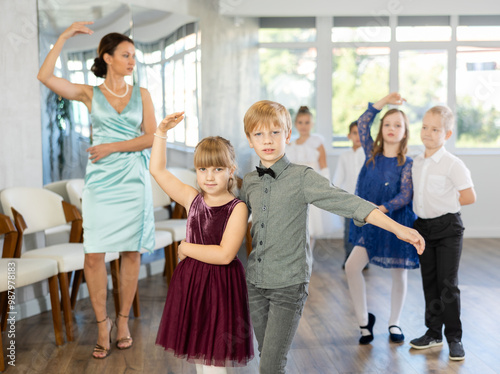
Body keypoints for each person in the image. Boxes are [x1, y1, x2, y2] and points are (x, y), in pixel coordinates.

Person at [239, 100, 425, 374]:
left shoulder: (303, 177)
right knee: (267, 354)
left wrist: (399, 229)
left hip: (288, 284)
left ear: (287, 135)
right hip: (255, 283)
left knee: (270, 365)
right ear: (250, 139)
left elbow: (350, 202)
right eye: (259, 134)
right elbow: (231, 220)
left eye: (275, 132)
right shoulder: (249, 182)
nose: (267, 140)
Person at [37, 21, 156, 359]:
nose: (132, 61)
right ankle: (102, 325)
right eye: (125, 55)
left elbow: (151, 137)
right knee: (94, 254)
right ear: (108, 58)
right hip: (102, 185)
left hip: (133, 180)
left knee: (131, 252)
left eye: (134, 55)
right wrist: (62, 38)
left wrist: (113, 147)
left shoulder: (142, 94)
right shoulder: (90, 93)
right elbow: (45, 77)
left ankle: (122, 323)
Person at [152, 113, 254, 373]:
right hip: (191, 282)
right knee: (200, 353)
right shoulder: (191, 198)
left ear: (231, 170)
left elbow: (224, 255)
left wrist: (185, 247)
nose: (209, 176)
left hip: (220, 285)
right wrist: (161, 131)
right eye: (203, 169)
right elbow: (157, 170)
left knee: (212, 357)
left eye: (218, 169)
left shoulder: (237, 208)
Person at [345, 92, 418, 345]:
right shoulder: (370, 154)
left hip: (397, 223)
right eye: (387, 124)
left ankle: (394, 322)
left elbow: (406, 194)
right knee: (351, 266)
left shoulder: (408, 163)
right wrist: (385, 100)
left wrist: (382, 210)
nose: (391, 128)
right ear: (381, 129)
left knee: (400, 274)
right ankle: (365, 322)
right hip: (372, 223)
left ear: (405, 132)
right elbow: (363, 121)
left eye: (398, 125)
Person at [409, 105, 476, 361]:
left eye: (435, 129)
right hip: (423, 229)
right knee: (429, 281)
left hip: (448, 228)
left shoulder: (452, 164)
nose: (427, 132)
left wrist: (445, 200)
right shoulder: (417, 161)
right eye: (424, 127)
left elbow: (470, 196)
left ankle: (454, 338)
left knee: (448, 285)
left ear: (446, 134)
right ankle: (433, 332)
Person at [287, 106, 336, 243]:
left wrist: (326, 187)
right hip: (295, 187)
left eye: (307, 122)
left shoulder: (317, 143)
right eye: (300, 122)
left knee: (312, 224)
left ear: (312, 124)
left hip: (312, 185)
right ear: (295, 124)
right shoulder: (290, 145)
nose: (303, 126)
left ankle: (310, 259)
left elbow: (324, 166)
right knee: (297, 225)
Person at [332, 121, 365, 268]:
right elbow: (339, 177)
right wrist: (334, 193)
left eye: (362, 133)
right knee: (349, 231)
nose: (358, 136)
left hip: (366, 200)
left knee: (364, 232)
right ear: (349, 136)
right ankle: (348, 259)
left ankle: (363, 261)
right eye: (355, 133)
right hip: (349, 200)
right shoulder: (344, 155)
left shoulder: (369, 155)